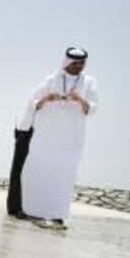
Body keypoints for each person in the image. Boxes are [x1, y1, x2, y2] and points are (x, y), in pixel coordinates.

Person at [20, 47, 98, 226]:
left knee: (64, 175)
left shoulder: (89, 82)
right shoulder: (51, 79)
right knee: (39, 169)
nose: (79, 66)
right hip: (47, 137)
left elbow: (93, 108)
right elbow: (33, 101)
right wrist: (46, 99)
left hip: (71, 139)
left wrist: (80, 100)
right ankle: (35, 212)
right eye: (76, 63)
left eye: (82, 63)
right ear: (67, 62)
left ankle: (57, 215)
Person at [7, 103, 36, 217]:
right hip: (24, 141)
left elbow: (15, 131)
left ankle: (13, 207)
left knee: (16, 174)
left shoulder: (21, 115)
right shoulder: (29, 116)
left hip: (20, 140)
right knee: (20, 175)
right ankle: (18, 207)